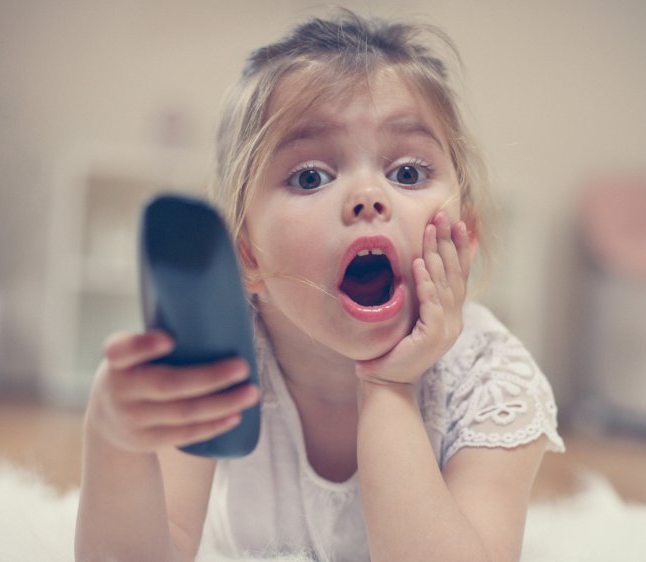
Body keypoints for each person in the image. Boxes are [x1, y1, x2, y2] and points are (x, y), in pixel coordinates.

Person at [76, 9, 563, 562]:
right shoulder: (219, 358)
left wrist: (389, 387)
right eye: (310, 176)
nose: (367, 195)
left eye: (407, 172)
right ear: (248, 255)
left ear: (465, 235)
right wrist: (114, 442)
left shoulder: (492, 381)